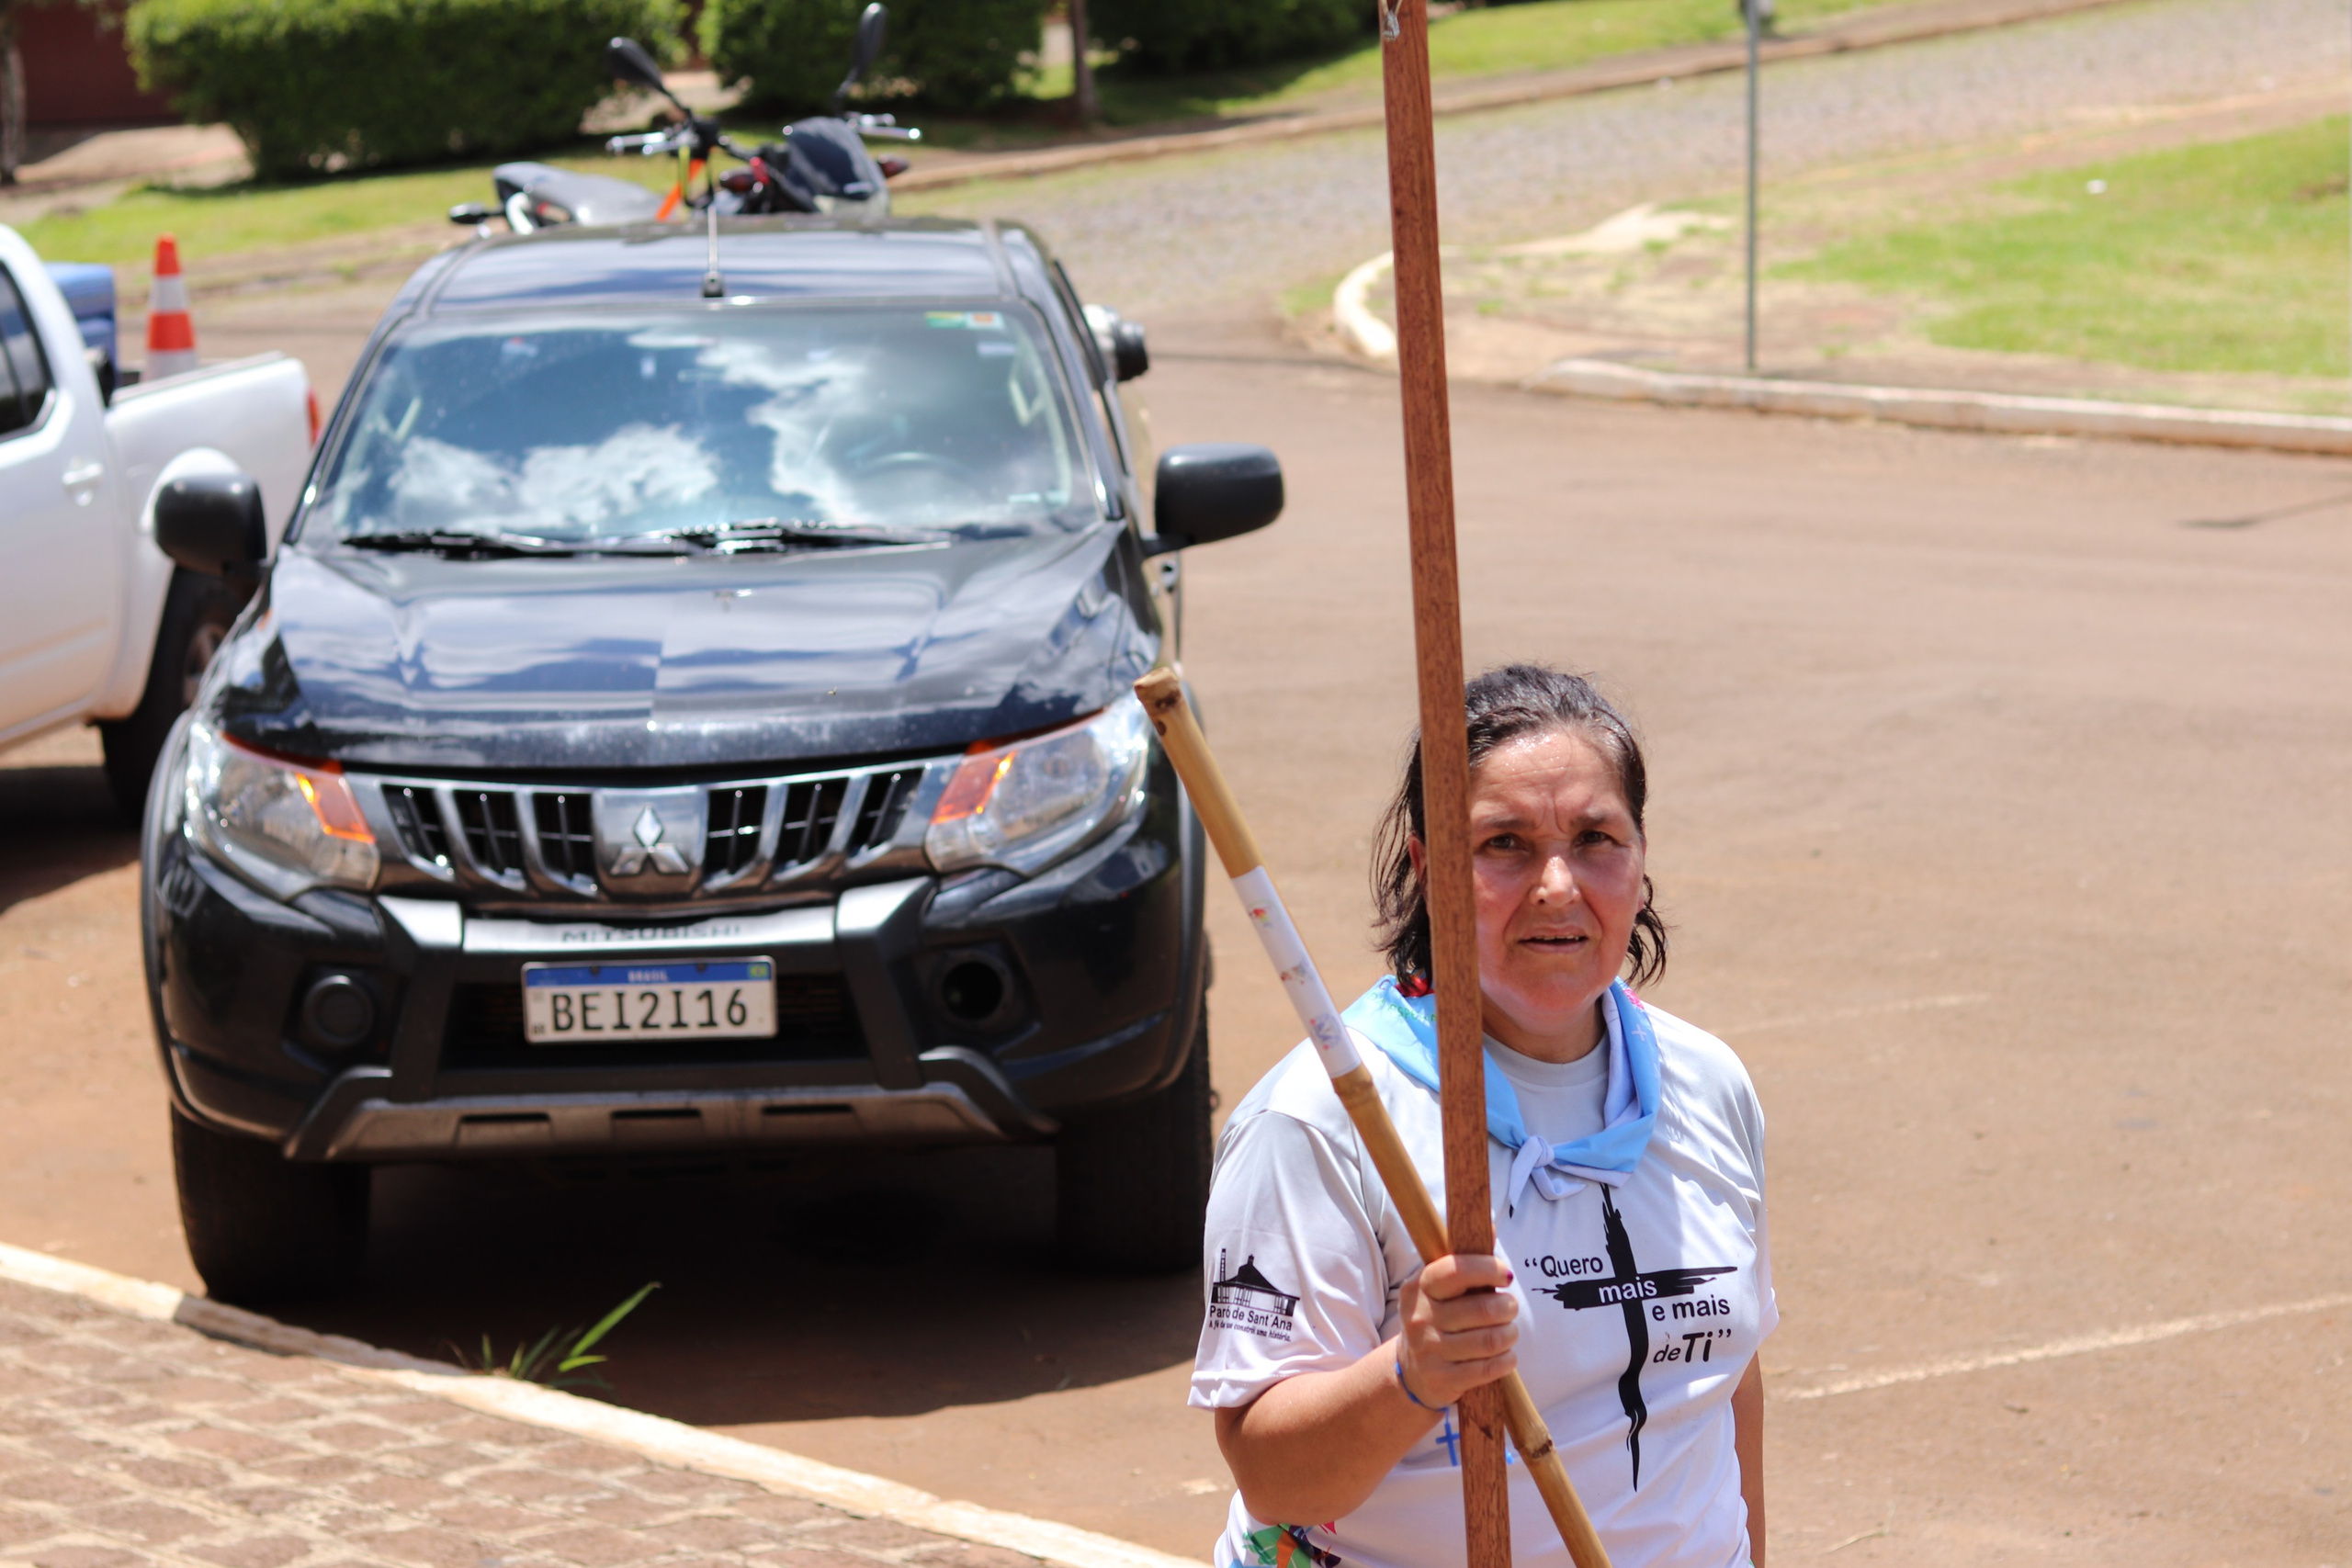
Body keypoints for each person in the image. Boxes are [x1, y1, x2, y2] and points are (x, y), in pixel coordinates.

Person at [1192, 665, 1775, 1568]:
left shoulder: (1708, 1083)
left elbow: (1725, 1388)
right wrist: (1411, 1374)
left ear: (1640, 857)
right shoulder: (1321, 1121)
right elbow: (1275, 1480)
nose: (1556, 885)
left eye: (1595, 838)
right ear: (1428, 868)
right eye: (1504, 844)